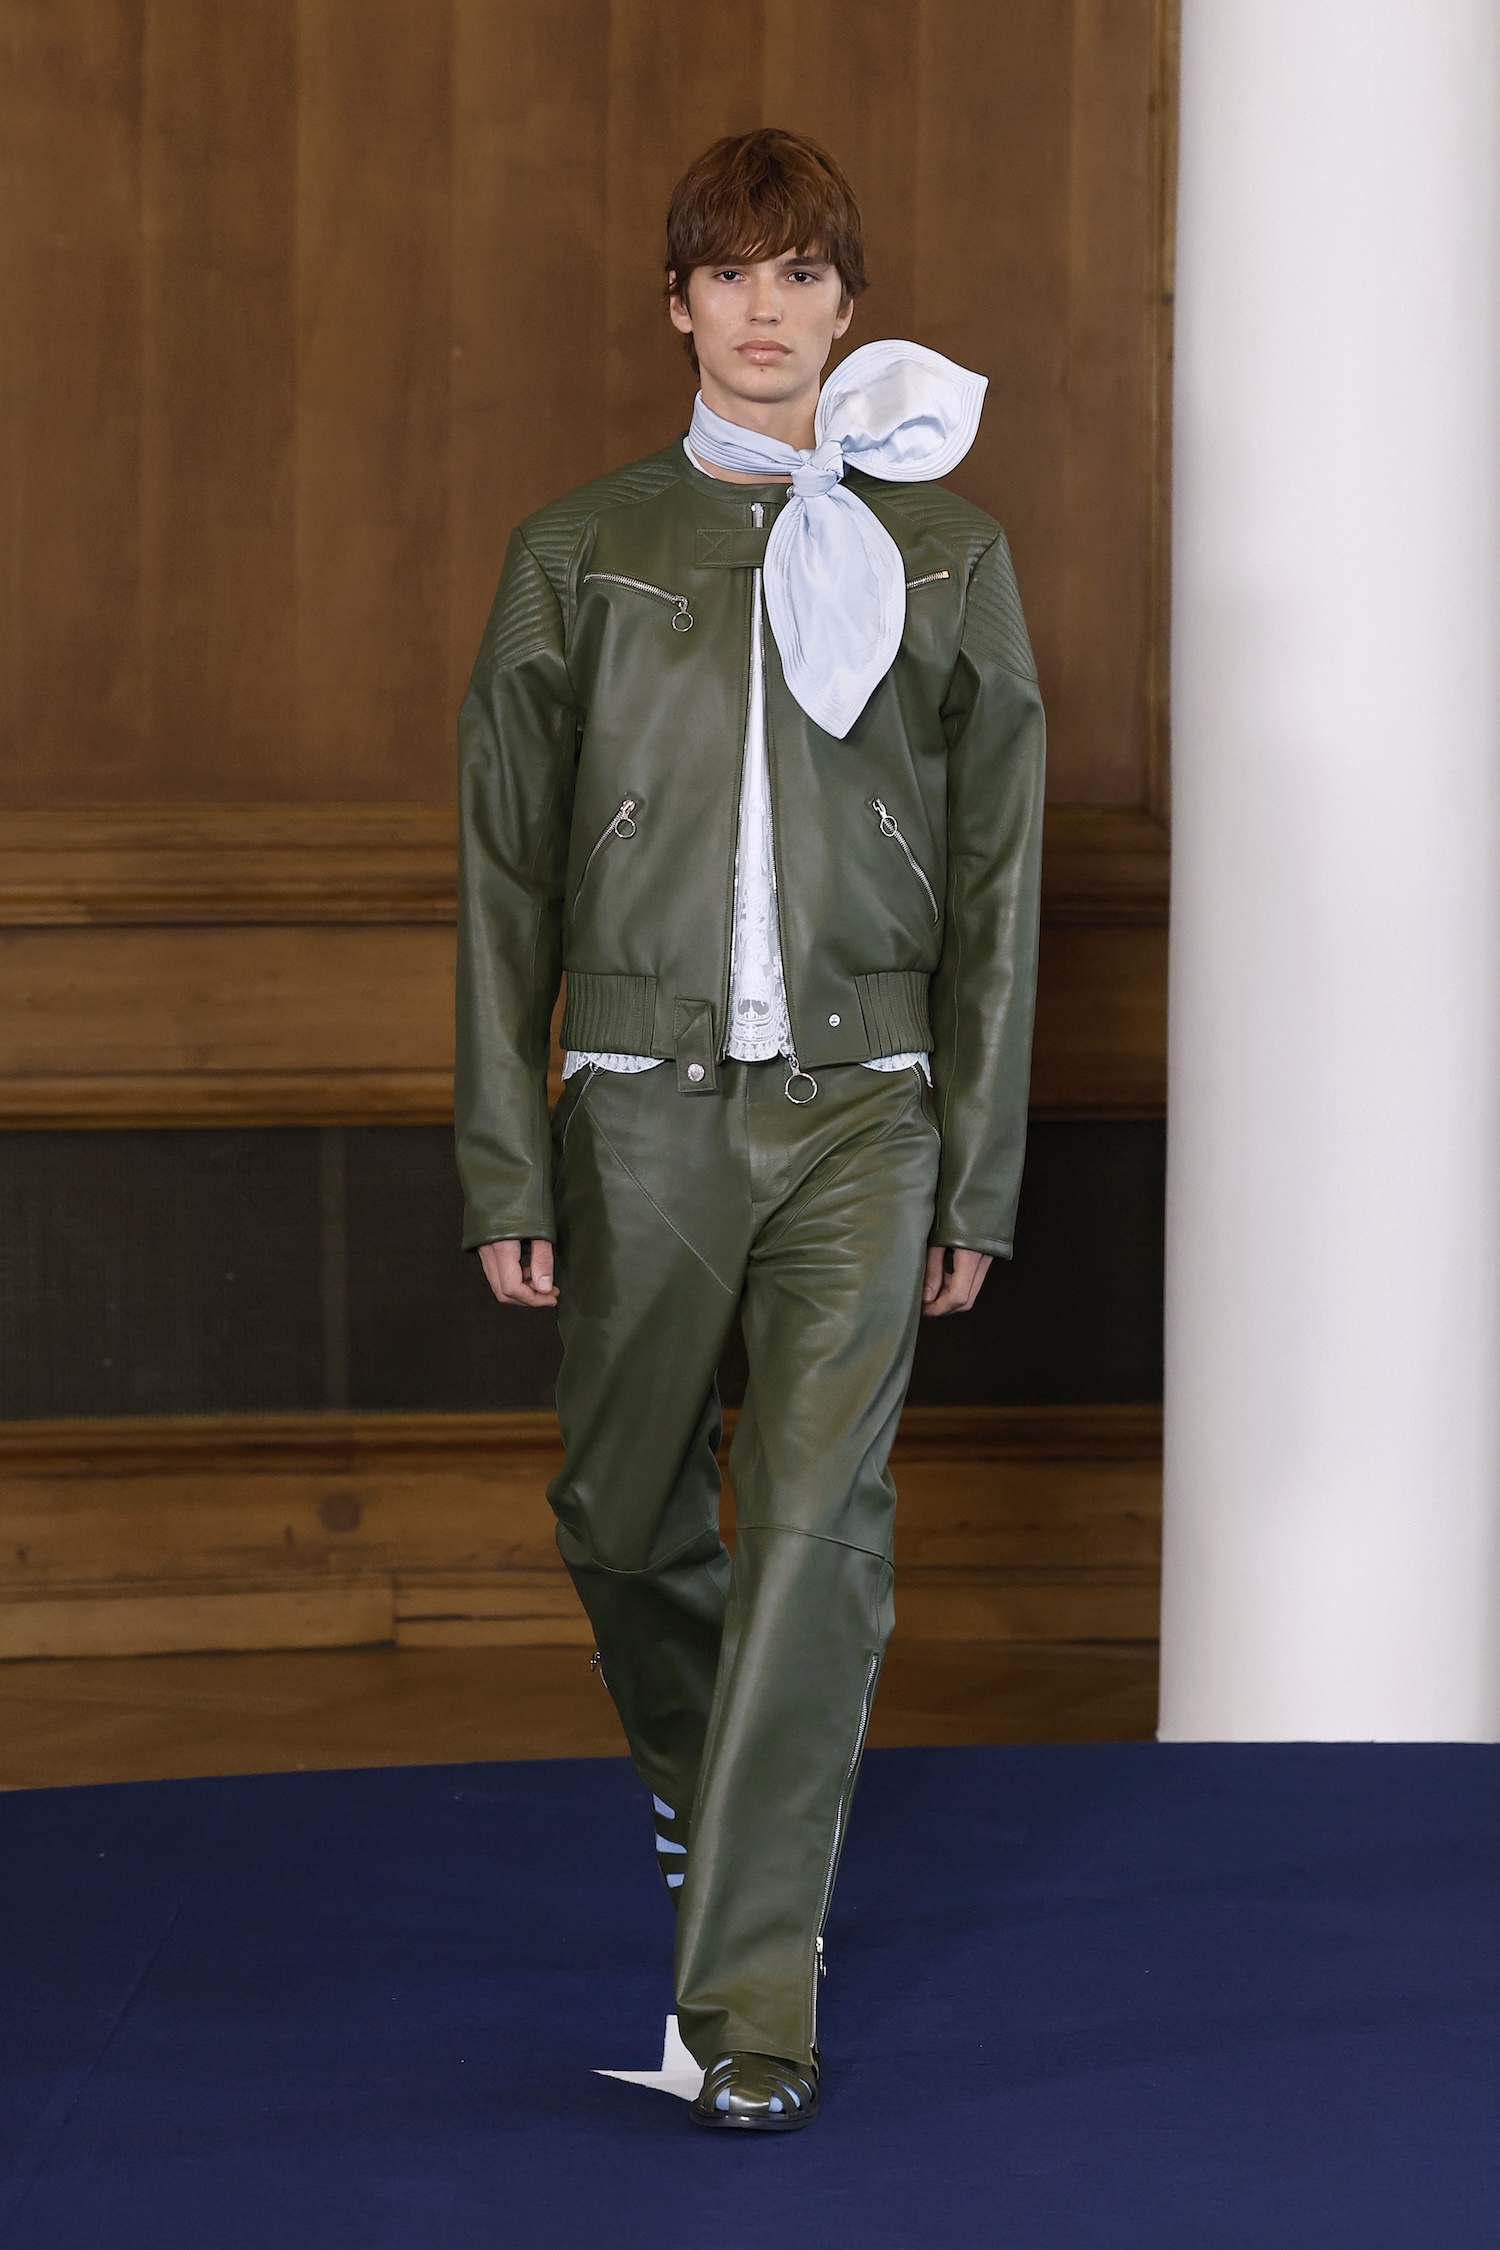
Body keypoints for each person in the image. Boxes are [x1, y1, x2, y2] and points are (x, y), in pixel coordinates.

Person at [455, 127, 1044, 2132]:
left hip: (867, 1116)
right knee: (622, 1518)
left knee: (817, 1533)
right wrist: (503, 1152)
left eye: (802, 274)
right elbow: (499, 878)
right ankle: (719, 1800)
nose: (767, 307)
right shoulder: (579, 551)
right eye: (732, 273)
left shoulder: (950, 555)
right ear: (680, 306)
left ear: (848, 306)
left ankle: (751, 2002)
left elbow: (1002, 882)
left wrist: (981, 1170)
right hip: (637, 1115)